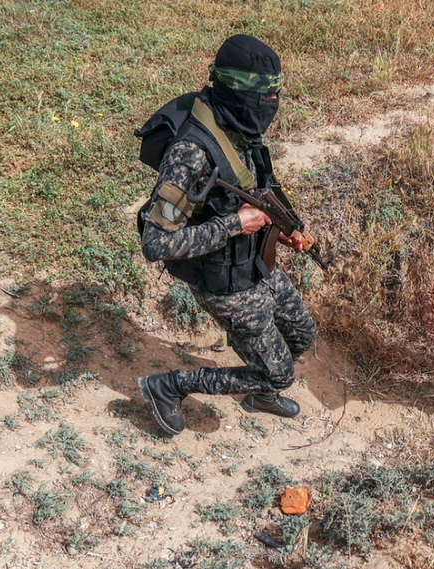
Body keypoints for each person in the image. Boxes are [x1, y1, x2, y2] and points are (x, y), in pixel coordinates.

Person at [135, 35, 318, 436]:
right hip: (224, 282)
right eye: (263, 98)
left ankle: (259, 387)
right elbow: (155, 243)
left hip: (256, 263)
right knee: (278, 374)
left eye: (275, 96)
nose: (271, 107)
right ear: (238, 92)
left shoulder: (236, 124)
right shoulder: (189, 154)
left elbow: (255, 185)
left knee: (302, 334)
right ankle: (169, 387)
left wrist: (282, 225)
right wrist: (236, 225)